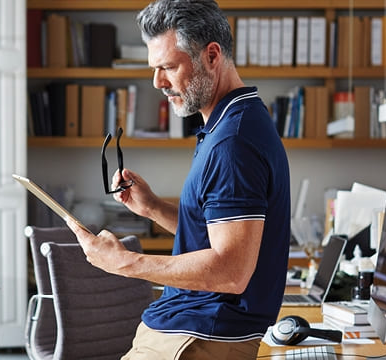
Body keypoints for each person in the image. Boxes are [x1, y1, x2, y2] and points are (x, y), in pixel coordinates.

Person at [65, 0, 291, 359]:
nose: (158, 82)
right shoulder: (229, 124)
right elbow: (216, 237)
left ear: (212, 56)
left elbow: (231, 271)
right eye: (154, 68)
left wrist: (126, 263)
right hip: (188, 330)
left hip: (197, 337)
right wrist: (153, 208)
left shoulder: (233, 143)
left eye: (168, 67)